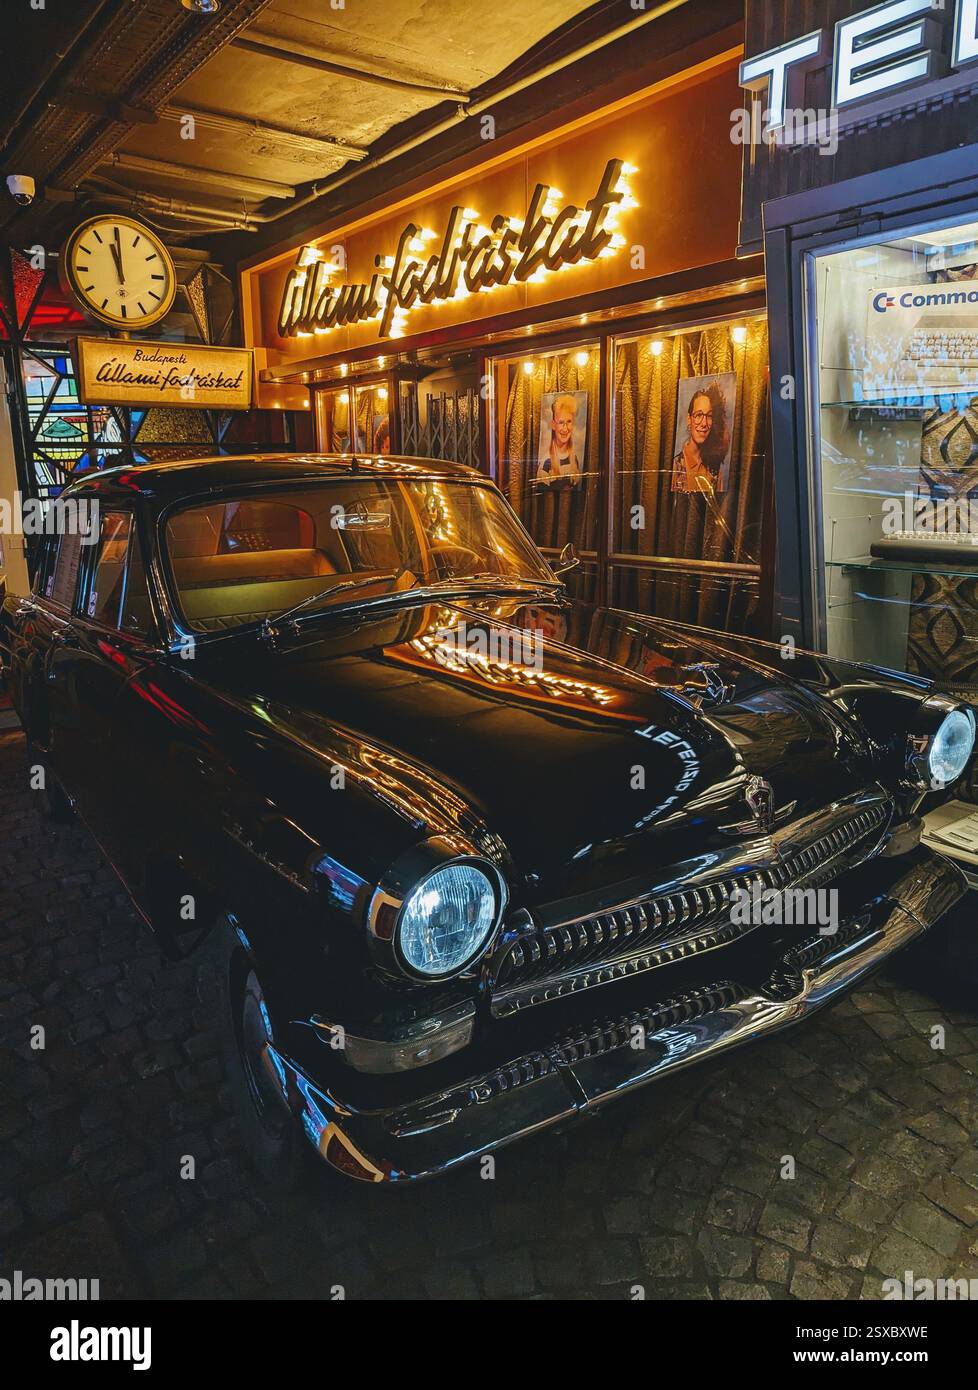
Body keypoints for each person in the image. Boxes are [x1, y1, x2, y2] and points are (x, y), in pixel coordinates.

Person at [672, 384, 729, 494]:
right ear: (689, 419)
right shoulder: (675, 465)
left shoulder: (715, 469)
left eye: (709, 416)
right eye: (698, 415)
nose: (704, 423)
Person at [536, 394, 582, 490]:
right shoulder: (546, 462)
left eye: (569, 422)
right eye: (561, 422)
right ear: (553, 425)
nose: (565, 429)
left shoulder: (574, 459)